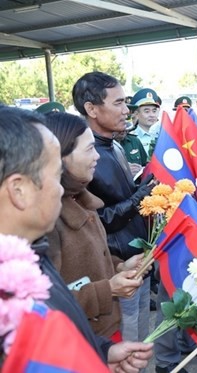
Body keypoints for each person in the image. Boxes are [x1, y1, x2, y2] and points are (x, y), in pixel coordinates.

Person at [0, 106, 153, 371]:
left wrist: (101, 351)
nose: (59, 187)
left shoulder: (29, 253)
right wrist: (108, 289)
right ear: (19, 190)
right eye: (56, 174)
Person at [43, 111, 145, 340]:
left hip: (103, 332)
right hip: (75, 341)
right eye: (89, 149)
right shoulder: (45, 219)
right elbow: (45, 300)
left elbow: (93, 259)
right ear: (60, 156)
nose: (97, 157)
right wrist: (107, 290)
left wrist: (119, 266)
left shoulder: (80, 200)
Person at [72, 71, 154, 344]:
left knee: (141, 339)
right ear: (92, 109)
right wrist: (141, 196)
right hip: (114, 268)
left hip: (136, 259)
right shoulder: (82, 158)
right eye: (118, 103)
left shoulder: (115, 146)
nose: (126, 110)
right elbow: (99, 219)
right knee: (126, 343)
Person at [130, 88, 161, 155]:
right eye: (146, 111)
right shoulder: (130, 138)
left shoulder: (163, 135)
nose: (152, 115)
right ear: (136, 114)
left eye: (154, 111)